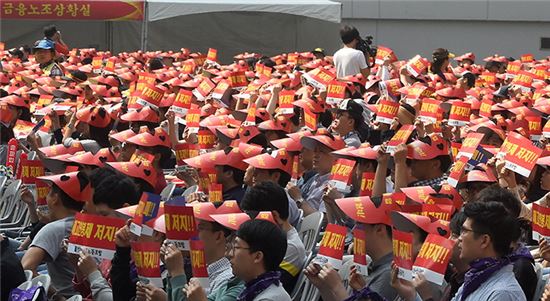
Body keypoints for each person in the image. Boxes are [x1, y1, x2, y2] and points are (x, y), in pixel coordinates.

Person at [304, 196, 398, 300]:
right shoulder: (374, 264)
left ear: (379, 229)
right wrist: (324, 287)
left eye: (359, 223)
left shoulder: (389, 274)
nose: (353, 230)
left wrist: (337, 287)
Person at [21, 171, 93, 299]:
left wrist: (56, 296)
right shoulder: (93, 225)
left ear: (55, 198)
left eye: (49, 193)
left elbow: (26, 269)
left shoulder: (54, 229)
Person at [163, 202, 244, 301]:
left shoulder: (227, 277)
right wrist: (172, 271)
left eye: (199, 228)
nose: (191, 234)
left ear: (218, 236)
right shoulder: (203, 270)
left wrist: (177, 272)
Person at [240, 181, 306, 293]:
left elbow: (263, 284)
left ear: (275, 216)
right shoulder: (267, 239)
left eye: (251, 218)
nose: (248, 223)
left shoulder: (291, 248)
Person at [453, 201, 526, 301]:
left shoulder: (502, 294)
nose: (459, 238)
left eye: (464, 231)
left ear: (484, 240)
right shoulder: (475, 277)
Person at [229, 219, 291, 301]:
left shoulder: (268, 299)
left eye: (236, 247)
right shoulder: (254, 289)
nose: (230, 254)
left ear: (257, 257)